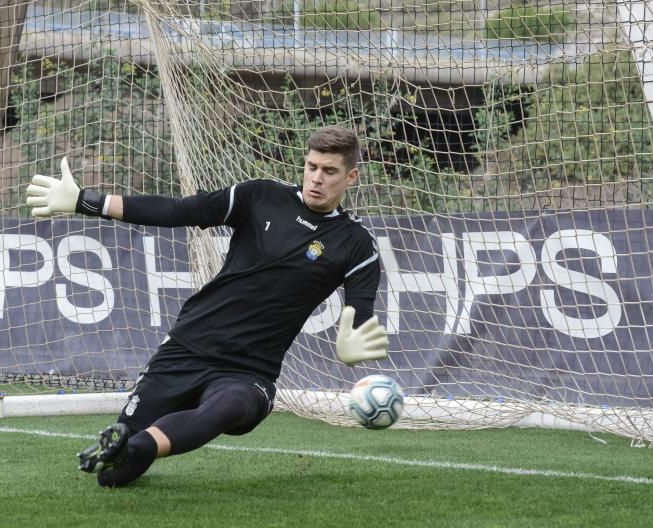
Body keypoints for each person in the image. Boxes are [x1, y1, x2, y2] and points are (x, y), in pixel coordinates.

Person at [25, 126, 389, 488]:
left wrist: (351, 345)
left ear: (351, 176)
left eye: (329, 171)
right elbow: (179, 210)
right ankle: (133, 445)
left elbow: (360, 318)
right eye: (311, 167)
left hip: (249, 371)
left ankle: (139, 443)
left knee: (230, 406)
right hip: (188, 346)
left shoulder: (356, 245)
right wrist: (87, 201)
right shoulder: (260, 196)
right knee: (115, 475)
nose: (316, 178)